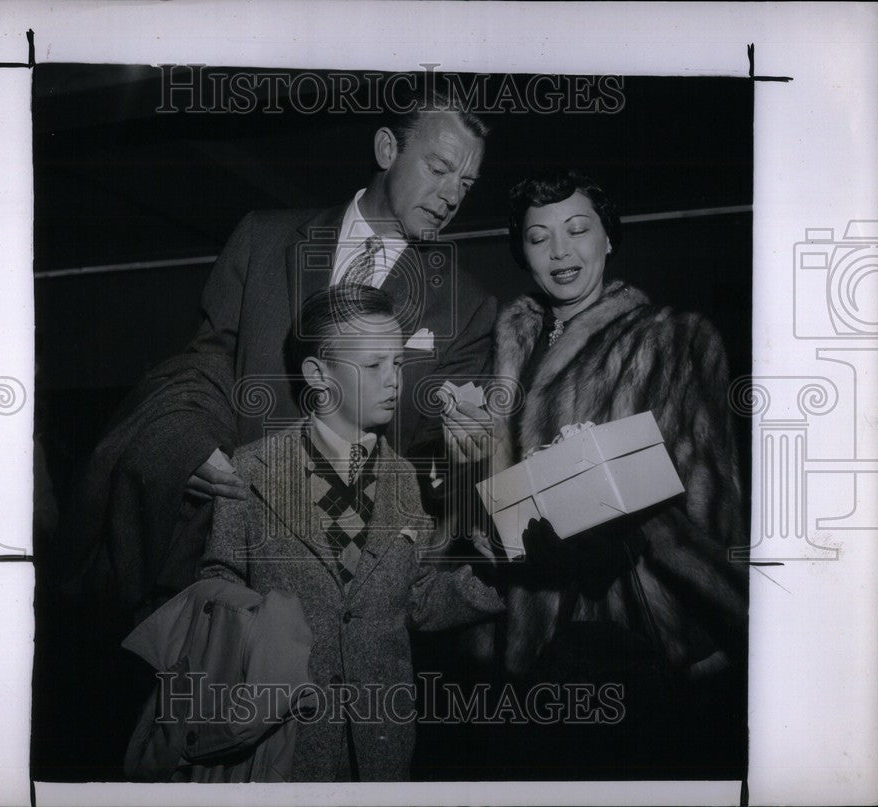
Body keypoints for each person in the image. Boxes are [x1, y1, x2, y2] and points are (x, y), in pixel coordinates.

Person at [42, 88, 497, 780]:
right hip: (232, 581)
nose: (451, 193)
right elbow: (205, 364)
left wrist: (473, 447)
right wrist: (188, 441)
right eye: (439, 167)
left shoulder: (466, 304)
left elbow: (428, 455)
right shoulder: (263, 235)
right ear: (386, 148)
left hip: (349, 598)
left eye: (466, 182)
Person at [477, 169, 748, 777]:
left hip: (628, 635)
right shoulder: (501, 355)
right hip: (519, 633)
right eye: (538, 237)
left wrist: (608, 523)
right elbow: (484, 503)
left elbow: (710, 509)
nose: (560, 251)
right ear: (521, 252)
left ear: (609, 238)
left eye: (578, 229)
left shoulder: (673, 340)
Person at [199, 285, 505, 782]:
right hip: (275, 748)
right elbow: (219, 587)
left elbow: (421, 599)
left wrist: (509, 577)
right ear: (318, 375)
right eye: (373, 366)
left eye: (399, 364)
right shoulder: (252, 469)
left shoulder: (406, 479)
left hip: (382, 750)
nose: (394, 381)